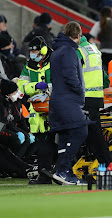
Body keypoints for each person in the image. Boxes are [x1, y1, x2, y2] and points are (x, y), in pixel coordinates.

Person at [49, 21, 90, 185]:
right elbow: (70, 75)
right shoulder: (69, 51)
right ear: (78, 35)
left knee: (66, 135)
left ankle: (62, 171)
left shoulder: (58, 50)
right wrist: (80, 91)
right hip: (69, 100)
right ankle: (63, 170)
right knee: (81, 131)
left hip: (59, 99)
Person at [18, 36, 56, 184]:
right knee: (42, 146)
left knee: (58, 143)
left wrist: (48, 88)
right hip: (39, 114)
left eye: (36, 50)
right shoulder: (29, 66)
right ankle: (45, 175)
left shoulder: (55, 61)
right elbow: (21, 85)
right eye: (31, 51)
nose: (33, 53)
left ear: (44, 49)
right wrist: (35, 87)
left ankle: (56, 172)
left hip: (54, 109)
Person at [76, 35, 112, 166]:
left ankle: (108, 164)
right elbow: (104, 76)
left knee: (93, 134)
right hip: (96, 97)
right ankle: (106, 164)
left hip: (84, 98)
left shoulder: (78, 51)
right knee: (93, 134)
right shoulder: (94, 49)